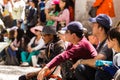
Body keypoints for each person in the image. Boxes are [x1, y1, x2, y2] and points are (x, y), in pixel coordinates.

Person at [72, 14, 113, 80]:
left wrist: (81, 61)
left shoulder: (108, 43)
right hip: (100, 73)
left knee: (81, 68)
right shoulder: (100, 43)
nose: (92, 26)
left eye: (94, 25)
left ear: (100, 28)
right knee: (81, 68)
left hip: (107, 75)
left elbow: (97, 62)